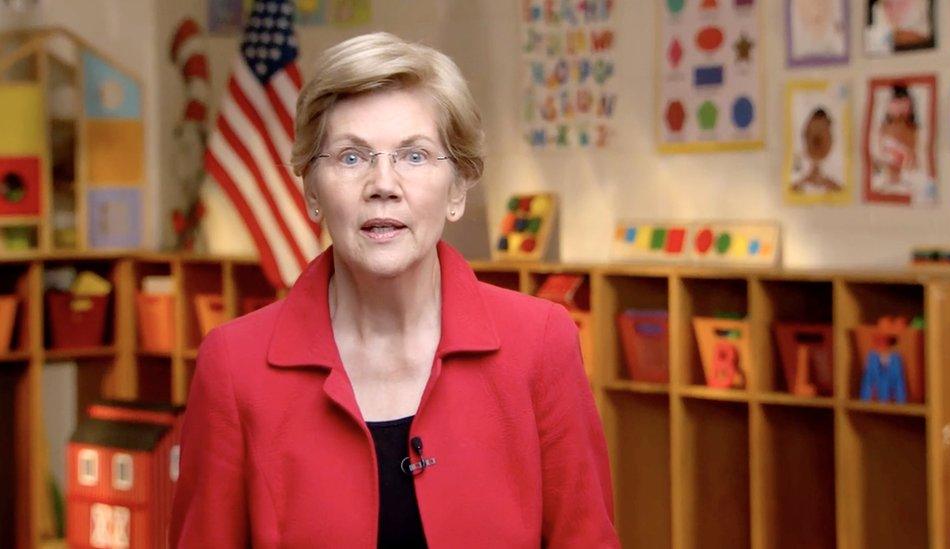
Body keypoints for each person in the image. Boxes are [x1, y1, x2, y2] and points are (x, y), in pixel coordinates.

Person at [170, 32, 619, 548]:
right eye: (351, 157)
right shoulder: (233, 366)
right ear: (312, 191)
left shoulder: (541, 344)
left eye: (414, 156)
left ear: (457, 190)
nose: (383, 184)